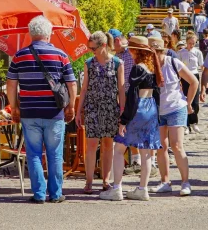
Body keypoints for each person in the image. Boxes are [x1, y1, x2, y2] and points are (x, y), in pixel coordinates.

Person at [6, 16, 77, 204]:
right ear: (49, 34)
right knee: (55, 154)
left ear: (31, 34)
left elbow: (11, 85)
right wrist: (71, 106)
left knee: (34, 153)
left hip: (29, 112)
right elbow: (71, 83)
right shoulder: (61, 55)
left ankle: (38, 194)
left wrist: (14, 107)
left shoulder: (19, 56)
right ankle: (55, 194)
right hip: (54, 113)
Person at [99, 37, 163, 201]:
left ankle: (117, 188)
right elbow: (157, 93)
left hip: (139, 108)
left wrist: (124, 120)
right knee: (146, 151)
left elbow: (133, 97)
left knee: (119, 149)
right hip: (151, 109)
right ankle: (143, 189)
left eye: (131, 49)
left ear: (135, 51)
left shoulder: (137, 69)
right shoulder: (151, 68)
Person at [76, 31, 125, 194]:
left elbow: (121, 90)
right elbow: (83, 89)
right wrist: (78, 111)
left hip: (111, 108)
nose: (91, 51)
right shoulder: (89, 63)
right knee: (91, 145)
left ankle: (105, 180)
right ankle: (89, 181)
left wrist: (122, 113)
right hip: (92, 108)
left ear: (103, 46)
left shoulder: (118, 63)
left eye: (93, 48)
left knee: (107, 145)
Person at [149, 39, 198, 196]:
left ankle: (185, 182)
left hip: (176, 107)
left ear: (161, 52)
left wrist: (188, 103)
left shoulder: (173, 62)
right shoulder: (149, 67)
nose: (152, 56)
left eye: (154, 52)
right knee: (161, 146)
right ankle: (165, 182)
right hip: (158, 110)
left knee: (176, 145)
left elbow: (194, 81)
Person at [177, 34, 203, 134]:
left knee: (195, 102)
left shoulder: (197, 52)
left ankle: (194, 122)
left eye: (193, 43)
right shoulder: (181, 52)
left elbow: (201, 66)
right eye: (189, 43)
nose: (191, 45)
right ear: (186, 42)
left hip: (194, 75)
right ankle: (186, 124)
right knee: (184, 100)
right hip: (184, 76)